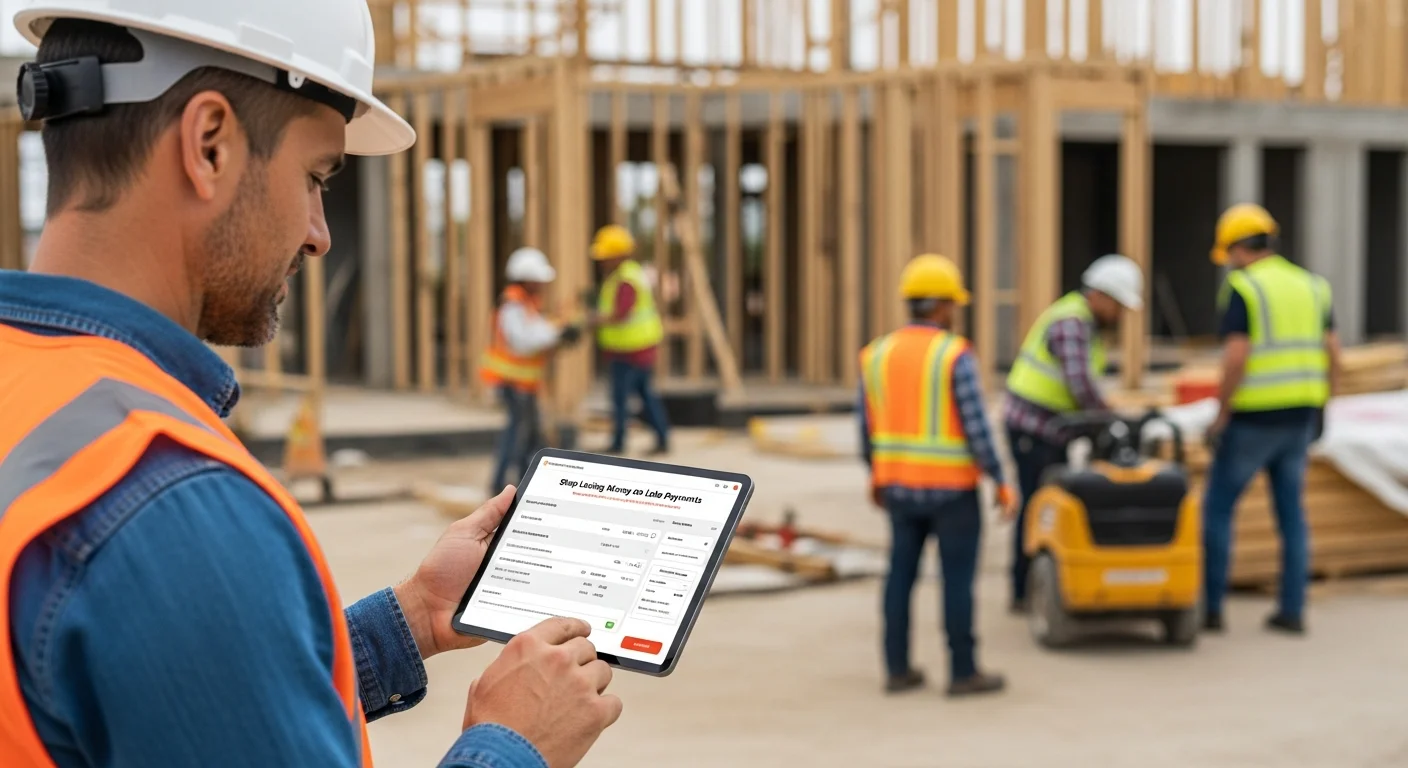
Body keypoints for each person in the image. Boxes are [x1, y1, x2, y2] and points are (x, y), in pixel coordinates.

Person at [0, 5, 619, 767]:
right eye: (315, 177)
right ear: (210, 145)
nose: (320, 233)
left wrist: (412, 620)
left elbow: (171, 701)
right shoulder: (172, 504)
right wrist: (515, 743)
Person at [858, 254, 1020, 698]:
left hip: (898, 488)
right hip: (952, 492)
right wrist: (1001, 480)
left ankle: (896, 668)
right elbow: (976, 427)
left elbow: (866, 428)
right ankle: (963, 671)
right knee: (957, 580)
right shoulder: (953, 354)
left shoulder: (876, 354)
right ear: (944, 305)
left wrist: (878, 476)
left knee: (900, 577)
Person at [1201, 203, 1339, 636]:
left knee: (1218, 511)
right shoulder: (1314, 286)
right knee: (1291, 516)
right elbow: (1334, 353)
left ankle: (1211, 608)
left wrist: (1220, 413)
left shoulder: (1245, 289)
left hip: (1253, 419)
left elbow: (1236, 357)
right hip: (1300, 416)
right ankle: (1292, 610)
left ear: (1241, 248)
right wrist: (1323, 403)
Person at [1002, 254, 1145, 614]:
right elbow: (1079, 384)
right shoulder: (1072, 323)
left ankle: (1040, 582)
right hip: (1033, 430)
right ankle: (1024, 589)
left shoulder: (1082, 323)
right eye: (1118, 305)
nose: (1120, 315)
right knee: (1038, 507)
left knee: (1049, 503)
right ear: (1100, 296)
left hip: (1050, 430)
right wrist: (1111, 417)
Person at [481, 246, 582, 493]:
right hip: (514, 383)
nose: (542, 285)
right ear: (526, 278)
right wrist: (556, 334)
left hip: (524, 383)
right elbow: (523, 342)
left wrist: (556, 333)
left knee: (527, 434)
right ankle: (501, 484)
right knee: (518, 434)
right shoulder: (513, 306)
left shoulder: (525, 304)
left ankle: (521, 481)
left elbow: (536, 331)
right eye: (538, 280)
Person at [588, 224, 670, 456]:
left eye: (606, 257)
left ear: (618, 255)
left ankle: (618, 443)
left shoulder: (625, 279)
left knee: (621, 399)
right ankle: (662, 438)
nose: (602, 262)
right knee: (644, 395)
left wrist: (592, 319)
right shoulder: (630, 274)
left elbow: (620, 315)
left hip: (630, 351)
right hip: (637, 349)